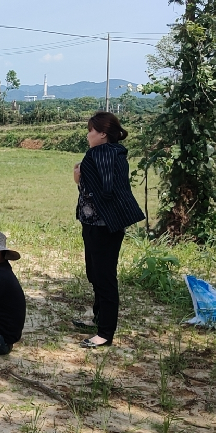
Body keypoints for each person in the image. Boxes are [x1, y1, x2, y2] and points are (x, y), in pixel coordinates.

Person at [72, 112, 144, 348]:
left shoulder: (97, 154)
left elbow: (100, 190)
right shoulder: (116, 154)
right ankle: (99, 318)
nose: (88, 134)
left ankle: (105, 333)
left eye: (91, 130)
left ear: (102, 134)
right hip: (107, 224)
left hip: (100, 226)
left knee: (103, 277)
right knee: (98, 273)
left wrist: (78, 178)